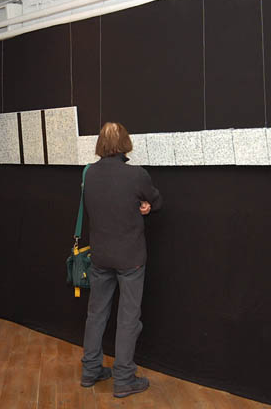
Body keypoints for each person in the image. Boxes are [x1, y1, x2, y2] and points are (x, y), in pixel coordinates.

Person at [80, 122, 162, 398]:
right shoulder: (136, 175)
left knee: (96, 314)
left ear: (100, 144)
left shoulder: (89, 174)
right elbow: (155, 200)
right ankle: (124, 378)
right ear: (125, 143)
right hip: (130, 258)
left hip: (100, 256)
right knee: (128, 319)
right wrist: (147, 206)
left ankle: (90, 371)